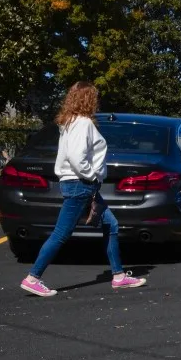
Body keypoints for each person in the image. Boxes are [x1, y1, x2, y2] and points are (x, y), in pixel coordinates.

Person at [20, 82, 146, 298]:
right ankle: (33, 278)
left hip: (79, 184)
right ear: (89, 99)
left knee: (111, 224)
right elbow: (77, 158)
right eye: (94, 97)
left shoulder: (68, 122)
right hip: (81, 184)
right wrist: (91, 176)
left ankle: (118, 276)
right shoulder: (84, 123)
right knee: (62, 233)